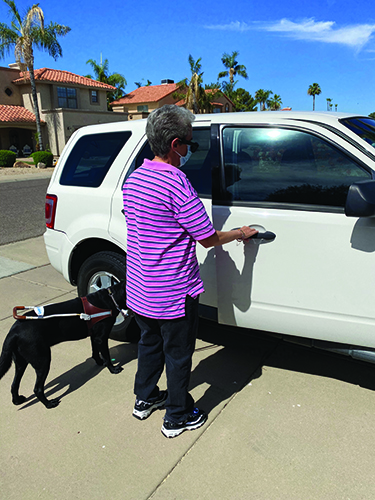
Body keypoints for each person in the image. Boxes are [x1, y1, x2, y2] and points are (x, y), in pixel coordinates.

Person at [122, 104, 257, 438]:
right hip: (173, 293)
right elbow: (208, 237)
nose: (189, 149)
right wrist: (241, 233)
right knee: (179, 355)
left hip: (141, 289)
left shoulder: (135, 178)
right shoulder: (176, 182)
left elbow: (137, 222)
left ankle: (145, 399)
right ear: (174, 145)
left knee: (148, 345)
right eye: (188, 143)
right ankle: (178, 415)